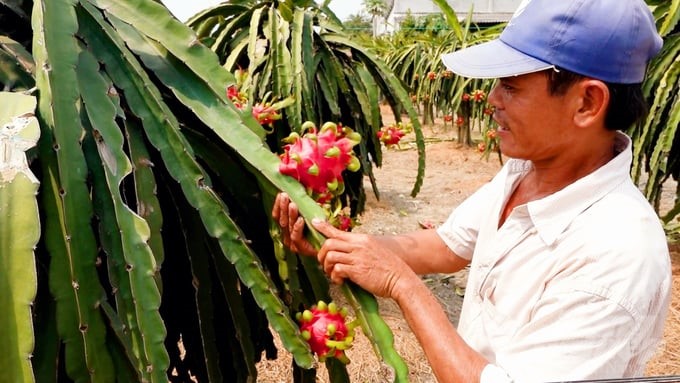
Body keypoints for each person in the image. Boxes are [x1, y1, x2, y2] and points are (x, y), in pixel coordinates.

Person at [272, 0, 672, 381]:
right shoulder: (525, 171)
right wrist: (344, 245)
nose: (491, 100)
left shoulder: (618, 254)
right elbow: (446, 247)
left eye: (512, 86)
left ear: (587, 102)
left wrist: (402, 285)